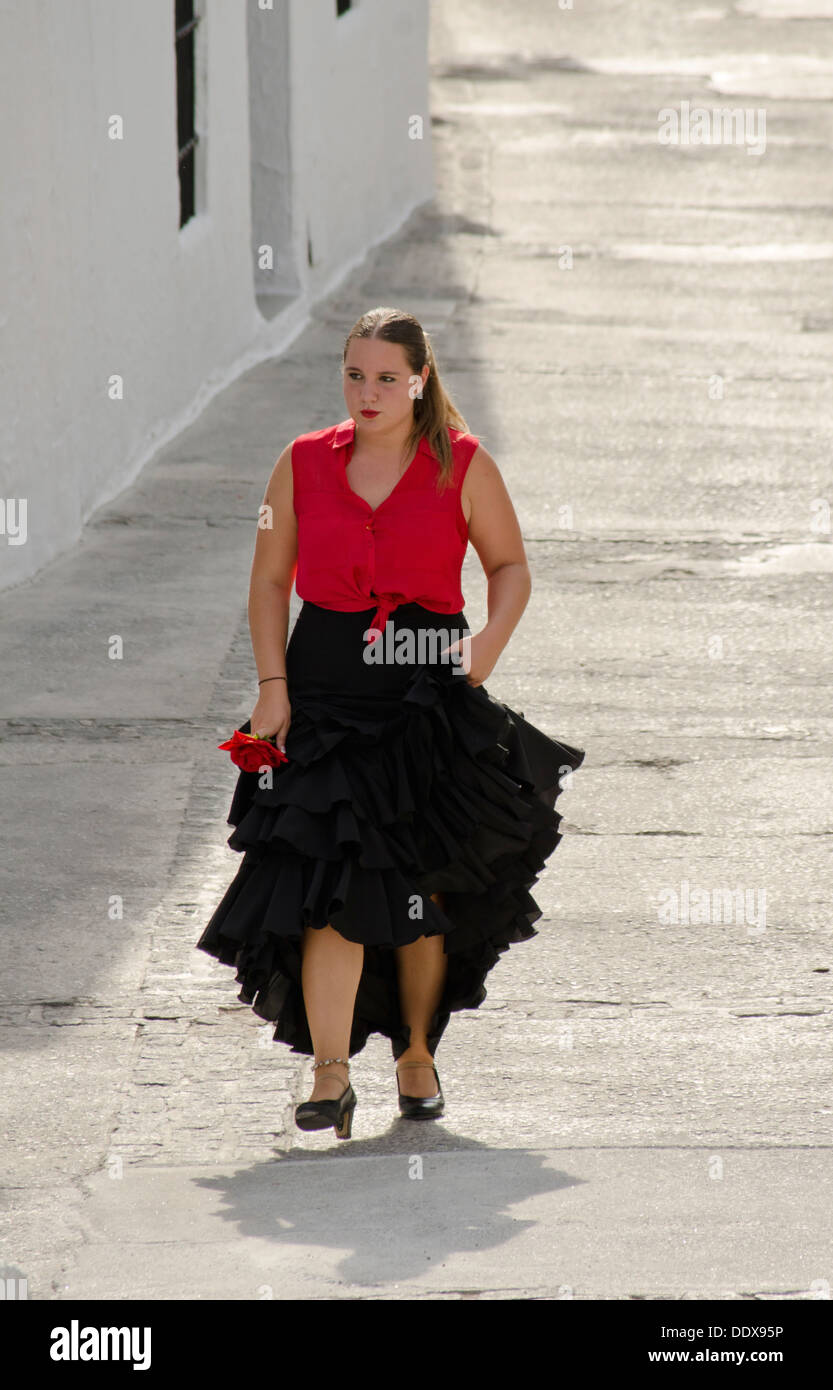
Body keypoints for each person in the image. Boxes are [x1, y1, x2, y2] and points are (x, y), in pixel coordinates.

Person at [196, 306, 585, 1141]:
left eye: (384, 377)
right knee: (324, 885)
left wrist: (482, 651)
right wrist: (272, 686)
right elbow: (269, 582)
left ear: (418, 379)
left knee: (419, 887)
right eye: (353, 375)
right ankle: (329, 1075)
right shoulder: (300, 463)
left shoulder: (464, 464)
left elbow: (511, 566)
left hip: (427, 686)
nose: (367, 392)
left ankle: (416, 1053)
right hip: (323, 687)